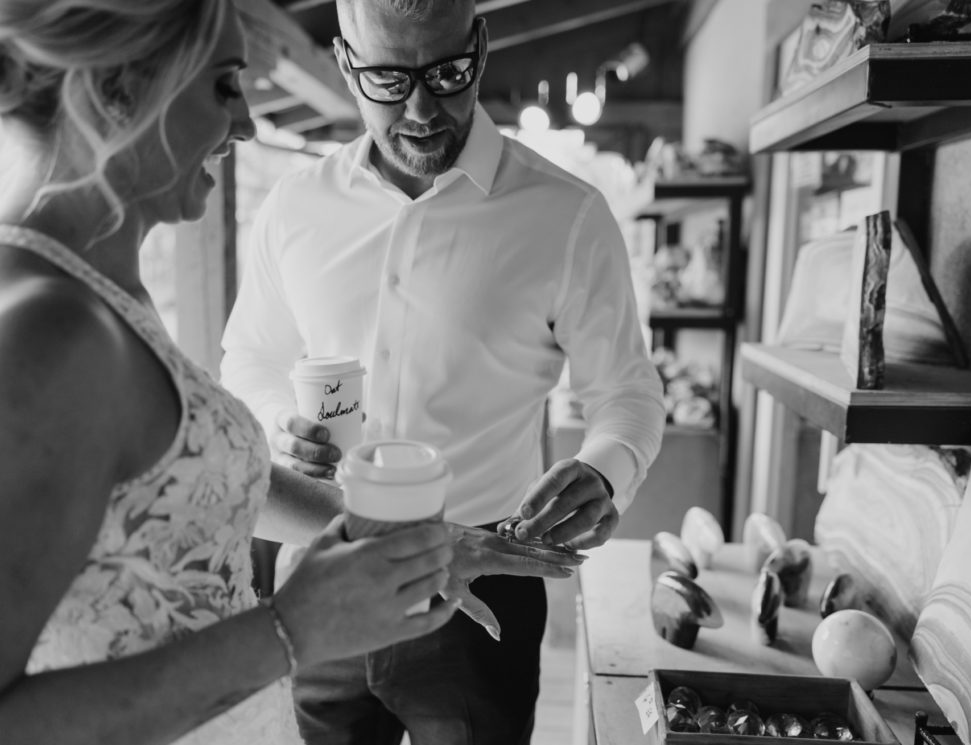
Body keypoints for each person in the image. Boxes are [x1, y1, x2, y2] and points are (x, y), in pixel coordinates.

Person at [0, 2, 467, 743]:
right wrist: (292, 628)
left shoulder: (103, 286)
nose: (247, 124)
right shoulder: (49, 330)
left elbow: (189, 488)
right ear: (116, 91)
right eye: (224, 86)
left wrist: (403, 539)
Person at [219, 0, 666, 742]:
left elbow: (626, 389)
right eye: (389, 80)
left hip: (483, 583)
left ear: (481, 48)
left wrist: (605, 469)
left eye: (447, 72)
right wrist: (278, 425)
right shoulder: (294, 205)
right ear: (343, 63)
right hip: (322, 571)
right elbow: (251, 356)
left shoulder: (567, 216)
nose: (422, 108)